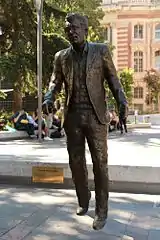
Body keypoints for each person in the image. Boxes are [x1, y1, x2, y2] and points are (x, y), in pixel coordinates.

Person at [42, 13, 128, 230]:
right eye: (68, 29)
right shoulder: (61, 56)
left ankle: (102, 210)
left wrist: (122, 102)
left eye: (76, 28)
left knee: (100, 164)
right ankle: (83, 198)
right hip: (72, 118)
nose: (72, 31)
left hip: (95, 116)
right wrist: (49, 97)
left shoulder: (101, 51)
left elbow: (113, 80)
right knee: (76, 164)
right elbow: (55, 82)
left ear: (85, 30)